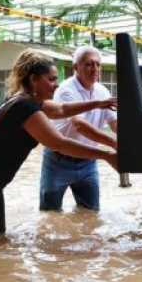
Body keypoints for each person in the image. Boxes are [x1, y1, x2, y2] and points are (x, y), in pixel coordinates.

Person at [0, 49, 118, 235]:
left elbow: (62, 109)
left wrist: (98, 103)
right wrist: (106, 155)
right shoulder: (26, 108)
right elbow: (59, 143)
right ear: (34, 80)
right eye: (51, 79)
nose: (55, 85)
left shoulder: (21, 99)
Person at [38, 46, 117, 212]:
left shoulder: (103, 91)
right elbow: (79, 125)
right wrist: (113, 143)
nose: (94, 68)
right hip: (58, 161)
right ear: (75, 67)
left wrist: (132, 140)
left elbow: (114, 123)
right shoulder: (66, 90)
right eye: (88, 64)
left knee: (91, 213)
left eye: (97, 64)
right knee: (50, 214)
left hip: (89, 161)